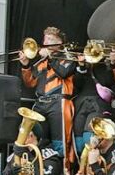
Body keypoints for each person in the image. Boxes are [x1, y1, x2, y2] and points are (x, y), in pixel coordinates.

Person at [19, 26, 75, 161]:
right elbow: (30, 83)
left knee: (60, 143)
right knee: (37, 138)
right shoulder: (41, 62)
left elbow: (64, 72)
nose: (46, 41)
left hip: (58, 103)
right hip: (40, 103)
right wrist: (26, 65)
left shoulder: (68, 57)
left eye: (50, 39)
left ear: (60, 42)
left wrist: (49, 58)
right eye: (45, 39)